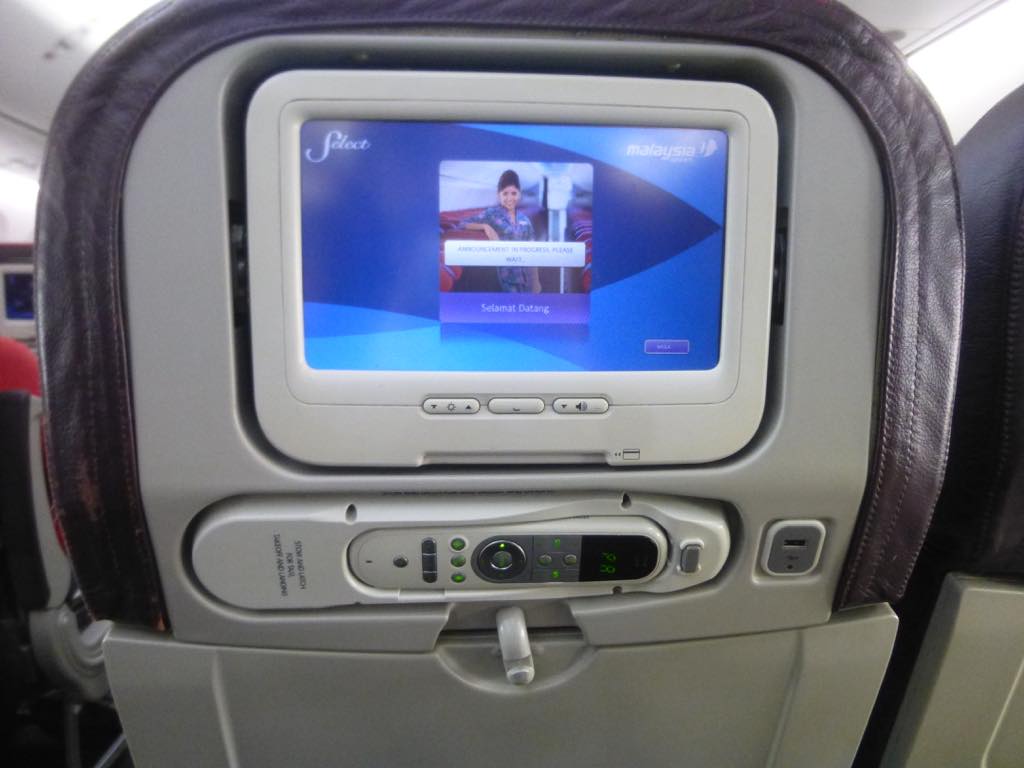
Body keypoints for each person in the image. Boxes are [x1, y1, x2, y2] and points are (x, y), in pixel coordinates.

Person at [461, 169, 542, 293]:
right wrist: (485, 226)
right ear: (499, 195)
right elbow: (462, 223)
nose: (510, 198)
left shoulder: (525, 220)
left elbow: (532, 252)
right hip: (505, 279)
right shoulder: (492, 214)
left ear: (519, 194)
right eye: (505, 194)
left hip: (525, 278)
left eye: (514, 193)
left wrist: (536, 281)